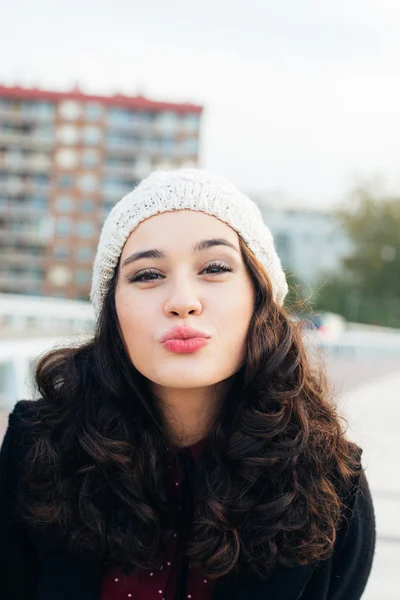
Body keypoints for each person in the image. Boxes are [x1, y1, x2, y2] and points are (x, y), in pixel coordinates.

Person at [0, 169, 375, 600]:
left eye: (214, 268)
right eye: (147, 275)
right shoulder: (37, 447)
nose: (181, 301)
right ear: (112, 309)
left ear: (259, 296)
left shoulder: (330, 481)